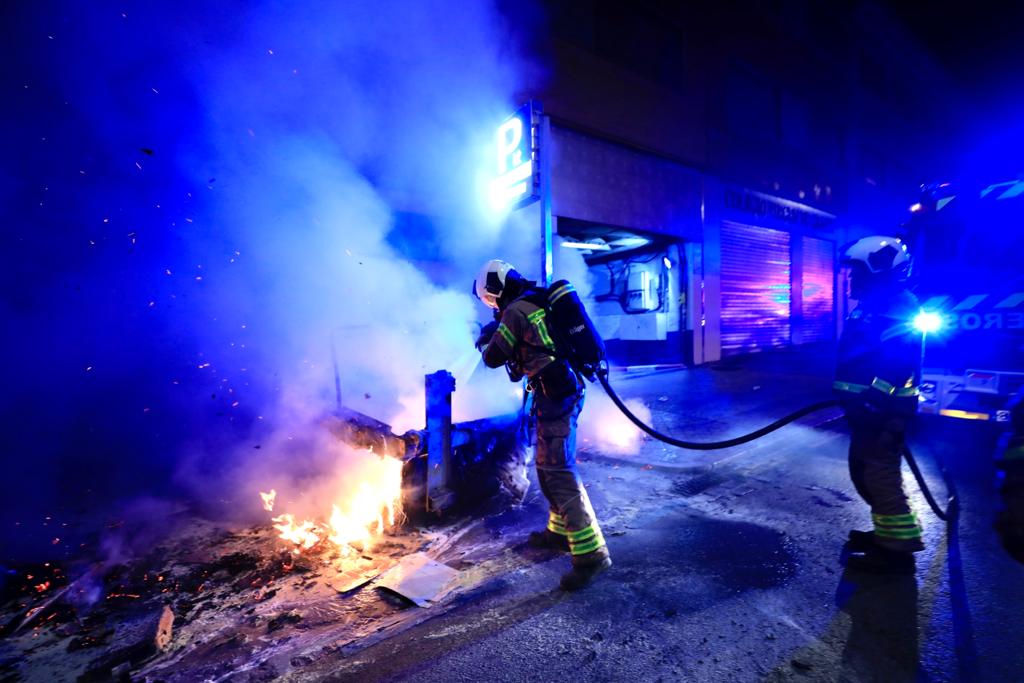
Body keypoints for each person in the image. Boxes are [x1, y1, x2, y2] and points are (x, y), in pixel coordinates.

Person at [473, 259, 611, 590]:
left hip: (557, 396)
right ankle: (559, 532)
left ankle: (592, 554)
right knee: (547, 465)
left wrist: (490, 335)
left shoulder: (516, 311)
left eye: (490, 300)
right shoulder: (535, 300)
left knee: (559, 471)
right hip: (557, 393)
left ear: (495, 290)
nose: (493, 306)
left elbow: (492, 358)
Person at [834, 236, 924, 574]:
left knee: (879, 475)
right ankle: (885, 534)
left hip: (883, 412)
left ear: (880, 272)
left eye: (856, 273)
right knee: (864, 472)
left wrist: (875, 396)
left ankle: (897, 552)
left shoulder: (898, 306)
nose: (850, 279)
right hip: (865, 409)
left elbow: (899, 362)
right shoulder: (872, 306)